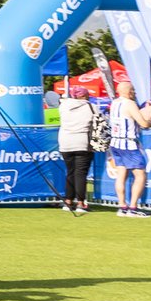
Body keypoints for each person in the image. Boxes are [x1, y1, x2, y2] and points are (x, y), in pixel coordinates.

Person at [107, 80, 151, 217]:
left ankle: (122, 206)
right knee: (140, 175)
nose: (134, 93)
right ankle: (133, 207)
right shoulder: (130, 104)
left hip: (115, 142)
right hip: (129, 143)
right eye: (133, 90)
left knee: (121, 174)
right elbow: (143, 123)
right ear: (129, 91)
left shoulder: (114, 103)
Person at [56, 74, 99, 214]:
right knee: (81, 173)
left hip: (65, 142)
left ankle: (68, 201)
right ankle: (81, 203)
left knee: (70, 172)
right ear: (85, 96)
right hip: (82, 142)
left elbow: (62, 100)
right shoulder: (91, 107)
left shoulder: (64, 106)